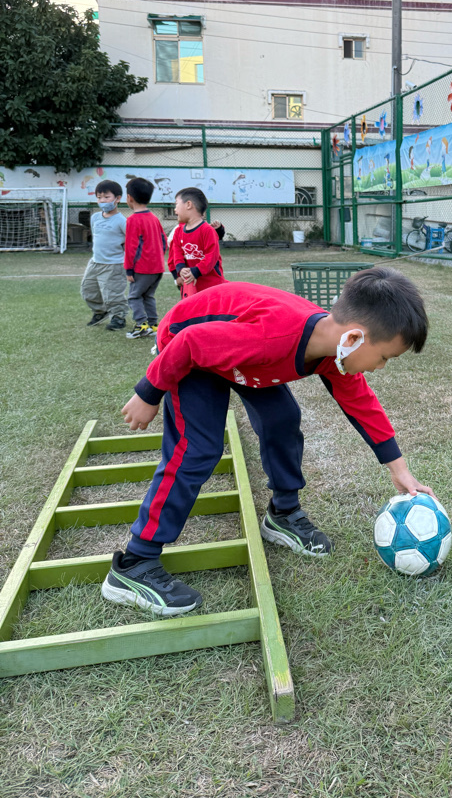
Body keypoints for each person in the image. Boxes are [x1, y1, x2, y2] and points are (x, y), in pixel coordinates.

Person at [101, 268, 432, 616]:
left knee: (282, 418)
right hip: (189, 349)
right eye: (384, 357)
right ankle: (135, 563)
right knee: (198, 450)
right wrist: (149, 392)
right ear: (353, 338)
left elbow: (361, 403)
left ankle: (283, 514)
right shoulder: (272, 336)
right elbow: (190, 343)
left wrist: (399, 468)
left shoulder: (334, 349)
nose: (381, 367)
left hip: (236, 350)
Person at [80, 180, 128, 332]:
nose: (102, 201)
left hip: (114, 264)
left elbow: (131, 242)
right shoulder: (95, 217)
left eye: (106, 197)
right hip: (95, 262)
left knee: (113, 294)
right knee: (88, 290)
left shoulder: (122, 221)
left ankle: (118, 317)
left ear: (117, 199)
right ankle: (100, 312)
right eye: (99, 197)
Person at [123, 177, 168, 339]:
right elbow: (164, 241)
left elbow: (131, 247)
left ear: (129, 198)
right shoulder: (154, 218)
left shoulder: (133, 220)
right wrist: (157, 259)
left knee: (134, 296)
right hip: (157, 267)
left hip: (142, 268)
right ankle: (153, 325)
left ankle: (141, 325)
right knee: (148, 296)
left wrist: (129, 269)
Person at [167, 187, 225, 294]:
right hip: (191, 286)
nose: (175, 210)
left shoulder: (207, 230)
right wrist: (180, 269)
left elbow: (211, 256)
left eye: (176, 204)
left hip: (212, 287)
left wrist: (196, 271)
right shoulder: (178, 232)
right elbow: (177, 254)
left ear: (188, 205)